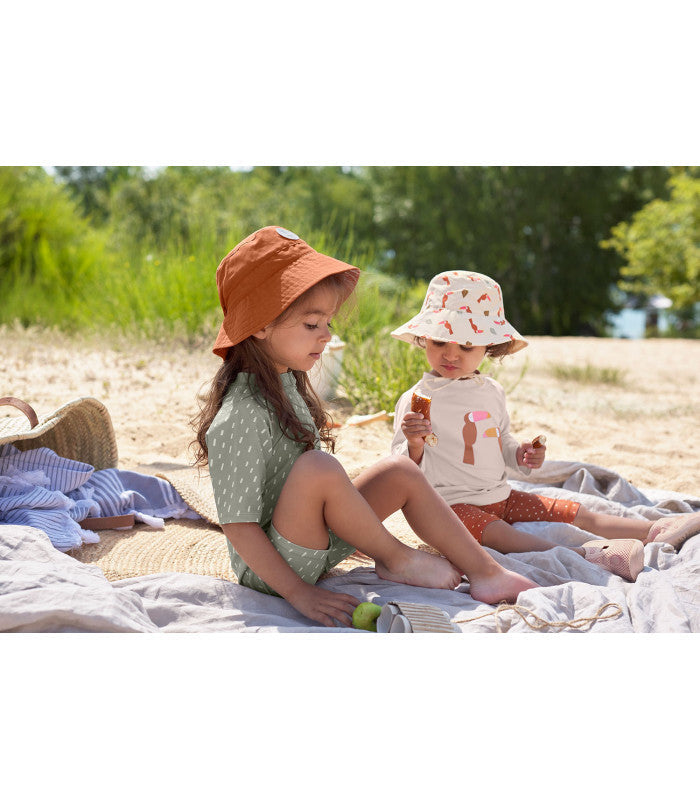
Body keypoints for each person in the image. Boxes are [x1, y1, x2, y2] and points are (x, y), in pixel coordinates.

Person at [191, 228, 538, 628]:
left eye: (328, 322)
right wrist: (300, 593)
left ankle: (486, 572)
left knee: (400, 470)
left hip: (312, 537)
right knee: (318, 467)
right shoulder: (240, 414)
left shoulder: (284, 381)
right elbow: (238, 526)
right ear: (260, 325)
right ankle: (396, 556)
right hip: (276, 568)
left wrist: (353, 528)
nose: (327, 334)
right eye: (311, 324)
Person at [391, 269, 700, 582]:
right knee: (503, 536)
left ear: (490, 347)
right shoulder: (420, 400)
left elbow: (500, 444)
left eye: (467, 346)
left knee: (571, 510)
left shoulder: (490, 392)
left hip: (500, 496)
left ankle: (656, 529)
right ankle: (588, 555)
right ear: (424, 338)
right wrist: (415, 442)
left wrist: (521, 454)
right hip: (449, 510)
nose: (451, 354)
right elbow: (402, 474)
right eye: (441, 341)